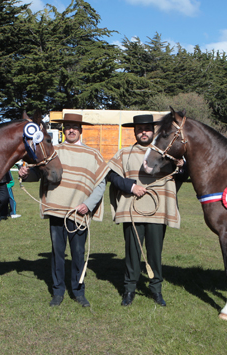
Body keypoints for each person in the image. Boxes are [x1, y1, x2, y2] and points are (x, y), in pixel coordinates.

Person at [19, 113, 108, 307]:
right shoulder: (54, 150)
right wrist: (26, 174)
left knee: (78, 253)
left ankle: (78, 292)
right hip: (56, 210)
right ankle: (58, 291)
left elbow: (101, 184)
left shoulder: (93, 155)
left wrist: (89, 204)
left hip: (79, 212)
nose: (71, 130)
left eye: (75, 126)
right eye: (68, 126)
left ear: (81, 130)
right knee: (57, 253)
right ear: (63, 129)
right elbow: (39, 172)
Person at [107, 114, 183, 307]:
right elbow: (111, 175)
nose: (143, 132)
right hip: (132, 209)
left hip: (157, 210)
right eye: (139, 129)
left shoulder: (165, 153)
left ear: (153, 131)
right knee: (133, 252)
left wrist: (182, 166)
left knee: (155, 252)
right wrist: (131, 187)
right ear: (134, 131)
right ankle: (129, 289)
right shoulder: (124, 153)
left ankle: (156, 289)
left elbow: (180, 176)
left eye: (147, 129)